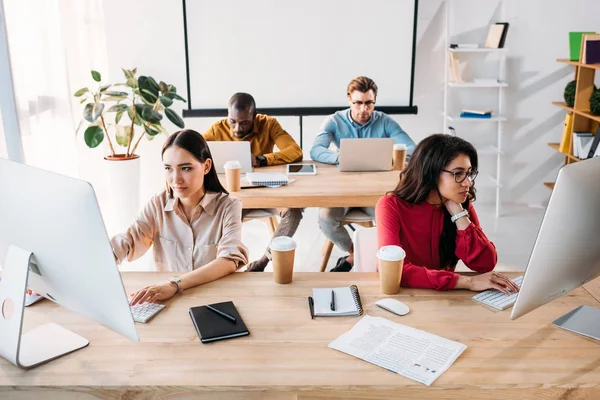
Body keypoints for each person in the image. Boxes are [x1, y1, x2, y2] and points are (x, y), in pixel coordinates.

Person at [111, 129, 249, 305]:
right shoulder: (158, 204)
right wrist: (100, 257)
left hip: (214, 301)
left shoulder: (229, 206)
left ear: (206, 166)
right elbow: (129, 241)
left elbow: (229, 260)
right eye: (168, 168)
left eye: (185, 168)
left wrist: (175, 284)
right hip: (169, 301)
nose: (176, 179)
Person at [375, 134, 519, 293]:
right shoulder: (391, 205)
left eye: (469, 173)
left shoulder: (460, 205)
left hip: (446, 296)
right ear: (431, 173)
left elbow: (485, 264)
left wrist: (458, 214)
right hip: (408, 295)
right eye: (458, 174)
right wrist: (467, 281)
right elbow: (392, 271)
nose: (468, 183)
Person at [310, 76, 416, 272]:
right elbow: (315, 150)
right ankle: (354, 254)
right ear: (349, 99)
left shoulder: (384, 121)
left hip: (375, 194)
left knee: (396, 218)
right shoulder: (334, 121)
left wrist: (388, 156)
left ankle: (351, 261)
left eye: (369, 103)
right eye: (358, 103)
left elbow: (412, 148)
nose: (363, 109)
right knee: (325, 218)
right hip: (343, 192)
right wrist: (340, 157)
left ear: (374, 101)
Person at [203, 92, 304, 272]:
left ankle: (262, 262)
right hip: (236, 196)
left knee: (294, 212)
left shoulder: (269, 124)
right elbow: (193, 150)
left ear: (254, 117)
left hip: (268, 193)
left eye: (244, 123)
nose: (236, 129)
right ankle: (220, 266)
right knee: (222, 216)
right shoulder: (217, 129)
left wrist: (262, 160)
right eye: (232, 121)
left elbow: (295, 151)